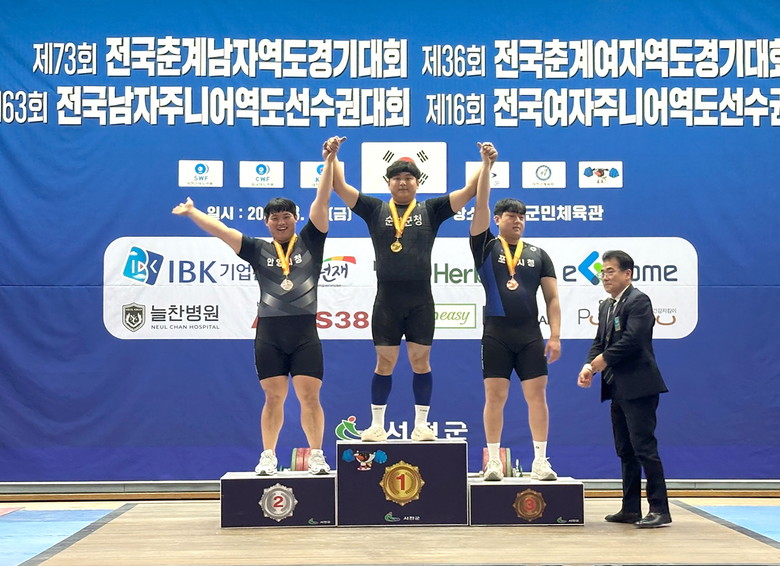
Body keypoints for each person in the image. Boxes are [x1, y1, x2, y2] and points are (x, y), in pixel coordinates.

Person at [171, 147, 336, 476]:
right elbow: (222, 231)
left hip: (304, 333)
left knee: (309, 396)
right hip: (269, 334)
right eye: (274, 217)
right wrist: (192, 212)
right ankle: (268, 456)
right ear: (267, 222)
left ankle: (317, 455)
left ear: (295, 218)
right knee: (273, 398)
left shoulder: (311, 241)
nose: (281, 221)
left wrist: (329, 161)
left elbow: (322, 199)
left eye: (286, 216)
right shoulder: (257, 249)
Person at [323, 136, 496, 442]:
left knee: (420, 362)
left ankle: (422, 425)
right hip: (386, 302)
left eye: (408, 178)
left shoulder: (432, 210)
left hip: (420, 302)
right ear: (388, 183)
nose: (403, 183)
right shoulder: (375, 209)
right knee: (384, 363)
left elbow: (470, 191)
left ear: (418, 182)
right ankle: (377, 425)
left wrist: (486, 163)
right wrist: (332, 157)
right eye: (397, 178)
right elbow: (339, 186)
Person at [469, 146, 561, 482]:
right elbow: (480, 204)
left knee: (537, 397)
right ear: (497, 220)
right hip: (496, 335)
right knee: (495, 397)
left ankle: (540, 461)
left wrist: (555, 336)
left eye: (522, 217)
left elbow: (552, 298)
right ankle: (493, 461)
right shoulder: (485, 247)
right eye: (511, 216)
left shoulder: (539, 254)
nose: (517, 221)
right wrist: (486, 166)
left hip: (530, 336)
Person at [577, 250, 671, 528]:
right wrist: (588, 366)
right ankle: (630, 508)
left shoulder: (639, 301)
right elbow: (599, 342)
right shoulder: (606, 306)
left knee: (644, 448)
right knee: (625, 450)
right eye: (602, 272)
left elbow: (633, 339)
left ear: (627, 274)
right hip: (616, 387)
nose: (604, 277)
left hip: (639, 386)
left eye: (610, 271)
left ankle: (660, 509)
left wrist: (603, 360)